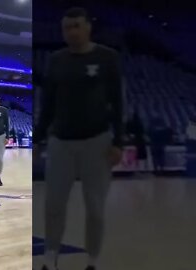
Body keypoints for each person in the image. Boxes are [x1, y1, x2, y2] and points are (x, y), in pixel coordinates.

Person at [33, 8, 123, 270]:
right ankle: (50, 258)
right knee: (53, 205)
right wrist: (38, 140)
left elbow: (117, 102)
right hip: (61, 142)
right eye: (66, 28)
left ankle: (92, 261)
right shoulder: (56, 59)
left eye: (76, 26)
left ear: (88, 28)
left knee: (95, 207)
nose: (71, 31)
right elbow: (48, 104)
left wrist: (119, 142)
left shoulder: (107, 57)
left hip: (98, 142)